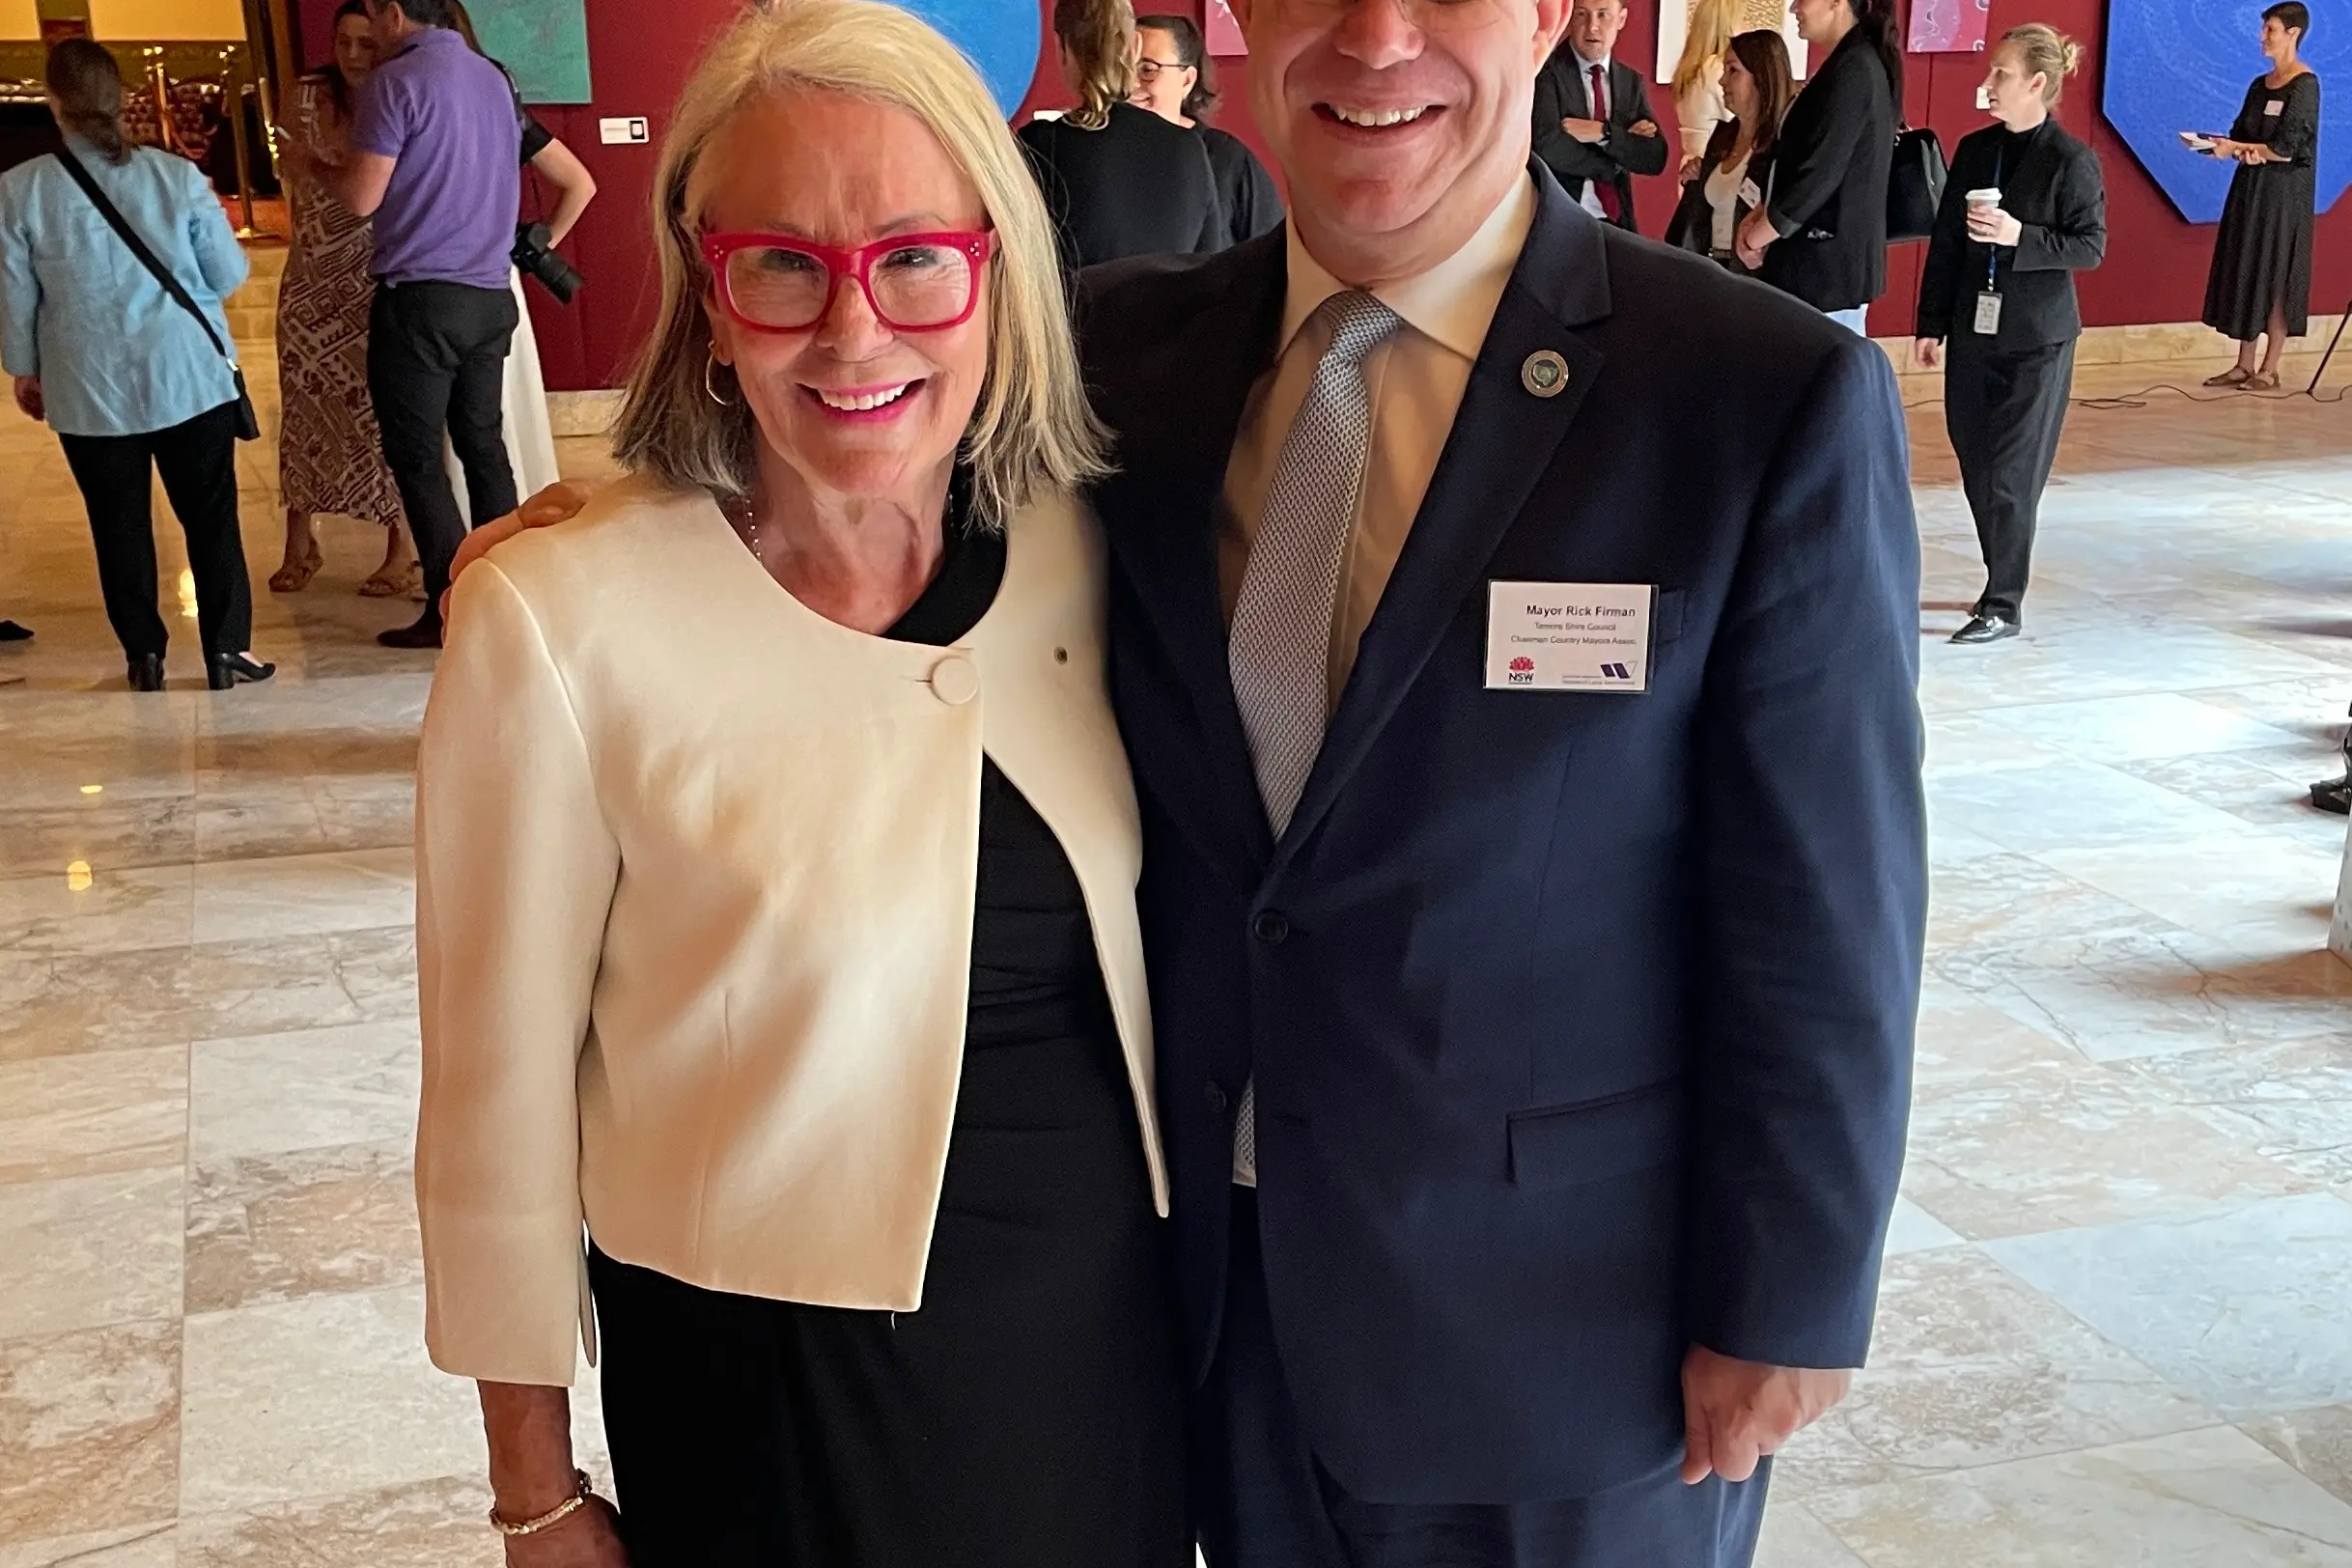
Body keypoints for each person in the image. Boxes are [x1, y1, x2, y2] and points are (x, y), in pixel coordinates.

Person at [463, 0, 1929, 1550]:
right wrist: (616, 521)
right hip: (1195, 1327)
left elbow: (1826, 906)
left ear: (1559, 12)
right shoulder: (1126, 357)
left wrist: (1795, 1293)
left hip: (1562, 1342)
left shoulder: (1750, 399)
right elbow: (853, 397)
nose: (1376, 36)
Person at [412, 3, 1187, 1565]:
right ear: (706, 291)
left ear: (995, 275)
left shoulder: (1086, 544)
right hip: (772, 1391)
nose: (855, 332)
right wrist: (534, 1487)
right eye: (782, 263)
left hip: (1100, 1358)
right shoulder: (563, 621)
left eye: (913, 256)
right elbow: (491, 1099)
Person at [0, 40, 274, 692]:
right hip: (187, 376)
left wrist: (25, 370)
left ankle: (144, 655)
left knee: (116, 522)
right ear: (120, 99)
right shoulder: (176, 178)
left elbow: (15, 296)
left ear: (56, 104)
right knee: (210, 516)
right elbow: (229, 274)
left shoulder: (19, 191)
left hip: (87, 384)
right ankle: (226, 650)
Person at [280, 0, 523, 651]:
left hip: (420, 299)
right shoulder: (491, 77)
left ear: (393, 13)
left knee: (417, 460)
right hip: (490, 294)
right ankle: (511, 597)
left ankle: (449, 606)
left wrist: (311, 164)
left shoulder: (397, 80)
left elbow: (363, 196)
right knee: (483, 447)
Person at [1915, 24, 2105, 647]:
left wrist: (2017, 235)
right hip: (1974, 328)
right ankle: (2002, 574)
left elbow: (2090, 247)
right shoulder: (1974, 150)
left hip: (2038, 339)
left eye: (2000, 73)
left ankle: (2003, 601)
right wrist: (1931, 323)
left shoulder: (2071, 160)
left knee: (2011, 475)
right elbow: (1944, 244)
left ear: (2037, 84)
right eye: (1991, 70)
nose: (1987, 83)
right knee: (1974, 463)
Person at [273, 0, 418, 599]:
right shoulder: (306, 95)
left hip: (375, 273)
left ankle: (400, 547)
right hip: (310, 276)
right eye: (343, 43)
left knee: (385, 413)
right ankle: (299, 541)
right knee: (303, 408)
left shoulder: (399, 95)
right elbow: (288, 167)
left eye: (365, 42)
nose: (353, 55)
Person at [444, 0, 590, 500]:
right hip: (490, 275)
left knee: (476, 413)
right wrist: (533, 243)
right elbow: (580, 183)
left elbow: (579, 183)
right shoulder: (499, 108)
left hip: (464, 277)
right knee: (493, 410)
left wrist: (534, 244)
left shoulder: (438, 112)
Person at [1019, 0, 1222, 270]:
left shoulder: (1039, 145)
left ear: (1063, 50)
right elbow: (1211, 267)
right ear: (1135, 46)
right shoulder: (1188, 146)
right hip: (1173, 312)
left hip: (1078, 313)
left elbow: (1018, 273)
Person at [1736, 0, 1900, 333]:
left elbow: (1819, 174)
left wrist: (1758, 235)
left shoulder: (1855, 69)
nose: (1794, 7)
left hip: (1826, 278)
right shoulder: (1848, 65)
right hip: (1816, 273)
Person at [2200, 1, 2318, 391]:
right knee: (2248, 266)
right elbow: (2242, 132)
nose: (2262, 37)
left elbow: (2287, 147)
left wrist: (2249, 150)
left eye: (2270, 29)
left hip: (2284, 195)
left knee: (2276, 271)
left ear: (2293, 34)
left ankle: (2270, 367)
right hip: (2250, 188)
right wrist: (2227, 146)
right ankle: (2243, 364)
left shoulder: (2305, 84)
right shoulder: (2257, 85)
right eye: (2263, 28)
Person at [1135, 14, 1285, 248]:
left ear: (1187, 80)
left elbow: (1274, 257)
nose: (1131, 84)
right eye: (1122, 69)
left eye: (1148, 70)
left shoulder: (1229, 161)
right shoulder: (1104, 157)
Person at [1532, 0, 1668, 232]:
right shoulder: (1545, 73)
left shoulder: (1630, 82)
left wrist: (1603, 133)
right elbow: (1548, 145)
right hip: (1560, 221)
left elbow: (1654, 157)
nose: (1592, 26)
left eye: (1603, 15)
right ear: (1569, 18)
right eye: (1582, 14)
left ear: (1621, 19)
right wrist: (1615, 160)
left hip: (1616, 223)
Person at [1666, 28, 1792, 268]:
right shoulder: (1722, 138)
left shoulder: (1781, 145)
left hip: (1754, 280)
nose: (1723, 81)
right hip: (1710, 272)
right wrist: (1695, 181)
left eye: (1733, 71)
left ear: (1761, 77)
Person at [1669, 0, 1740, 172]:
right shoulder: (1717, 70)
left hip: (1690, 165)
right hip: (1712, 168)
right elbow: (1741, 120)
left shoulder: (1688, 70)